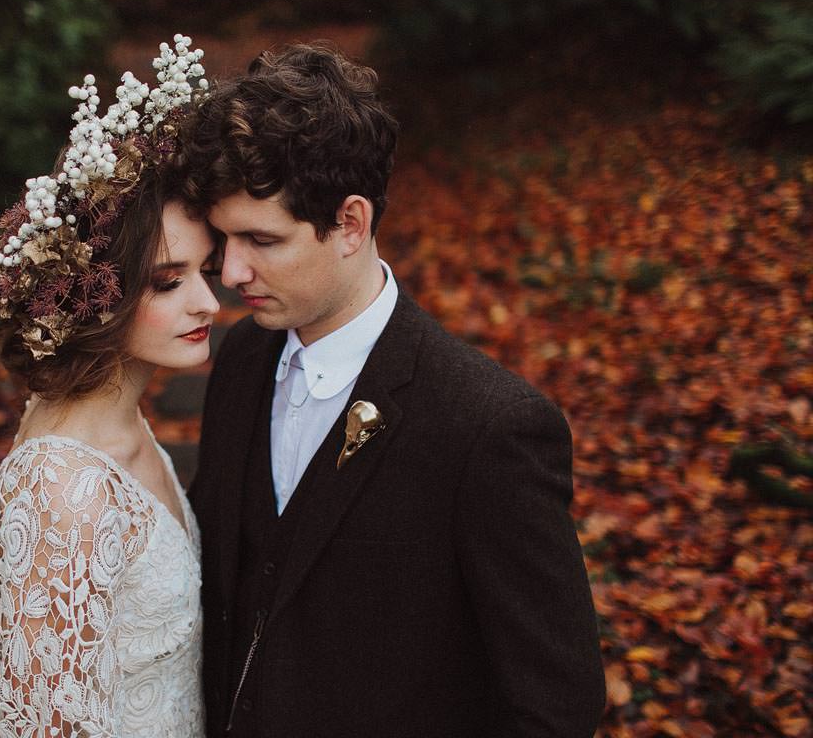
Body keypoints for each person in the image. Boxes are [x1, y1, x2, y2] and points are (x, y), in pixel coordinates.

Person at [175, 43, 606, 736]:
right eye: (224, 241)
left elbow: (557, 705)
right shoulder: (242, 362)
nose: (230, 272)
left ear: (350, 224)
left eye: (262, 240)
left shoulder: (489, 429)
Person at [0, 36, 218, 737]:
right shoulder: (61, 489)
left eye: (205, 272)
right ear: (99, 293)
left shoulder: (121, 422)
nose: (208, 305)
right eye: (170, 282)